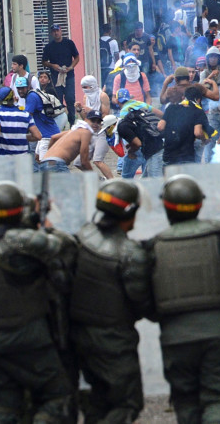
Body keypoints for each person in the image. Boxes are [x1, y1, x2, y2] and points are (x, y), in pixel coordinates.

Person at [0, 182, 74, 423]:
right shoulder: (23, 241)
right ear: (18, 211)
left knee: (4, 405)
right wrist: (41, 221)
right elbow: (62, 247)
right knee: (56, 397)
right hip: (27, 336)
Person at [147, 175, 220, 424]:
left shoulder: (153, 247)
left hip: (176, 337)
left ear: (166, 206)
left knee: (185, 400)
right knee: (217, 399)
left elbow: (145, 300)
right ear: (200, 204)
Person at [70, 180, 151, 422]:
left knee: (97, 401)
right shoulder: (130, 253)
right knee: (127, 402)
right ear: (130, 212)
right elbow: (143, 303)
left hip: (78, 334)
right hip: (113, 340)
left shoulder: (81, 236)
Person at [158, 85, 214, 167]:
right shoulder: (197, 111)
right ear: (198, 99)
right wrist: (204, 139)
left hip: (169, 154)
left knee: (170, 179)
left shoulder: (171, 108)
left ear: (184, 97)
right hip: (186, 157)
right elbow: (198, 133)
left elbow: (160, 126)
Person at [115, 89, 165, 178]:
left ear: (117, 101)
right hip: (154, 141)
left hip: (142, 146)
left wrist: (130, 151)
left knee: (128, 175)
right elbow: (161, 114)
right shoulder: (140, 104)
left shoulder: (123, 113)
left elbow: (132, 138)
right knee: (146, 176)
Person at [16, 76, 60, 166]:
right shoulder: (32, 95)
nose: (20, 91)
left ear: (28, 87)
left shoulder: (31, 97)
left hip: (48, 136)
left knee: (46, 166)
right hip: (43, 136)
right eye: (18, 88)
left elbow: (27, 117)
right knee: (38, 159)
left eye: (22, 88)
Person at [42, 24, 80, 125]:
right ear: (51, 33)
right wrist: (53, 65)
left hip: (69, 75)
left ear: (61, 31)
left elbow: (77, 57)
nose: (56, 33)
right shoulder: (49, 47)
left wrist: (71, 66)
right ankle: (59, 122)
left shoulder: (69, 43)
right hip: (55, 76)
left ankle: (72, 121)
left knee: (70, 98)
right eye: (54, 31)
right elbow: (44, 61)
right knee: (57, 99)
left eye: (57, 30)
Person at [0, 87, 41, 156]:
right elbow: (38, 136)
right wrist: (20, 136)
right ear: (13, 98)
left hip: (6, 158)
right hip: (22, 159)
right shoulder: (25, 114)